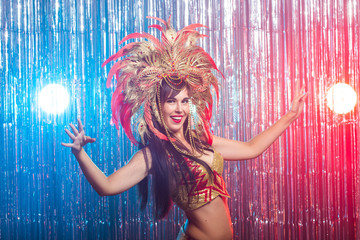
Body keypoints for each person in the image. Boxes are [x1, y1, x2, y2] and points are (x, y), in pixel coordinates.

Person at [62, 16, 307, 240]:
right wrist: (80, 153)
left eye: (184, 101)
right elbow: (107, 187)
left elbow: (252, 148)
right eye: (171, 101)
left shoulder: (202, 140)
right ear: (157, 107)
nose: (179, 108)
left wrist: (290, 115)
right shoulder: (153, 155)